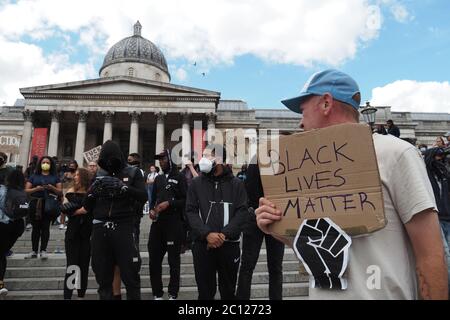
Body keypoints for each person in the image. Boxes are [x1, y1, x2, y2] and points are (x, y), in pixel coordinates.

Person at [256, 69, 448, 299]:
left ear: (326, 103)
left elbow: (430, 255)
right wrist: (275, 227)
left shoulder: (395, 153)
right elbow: (319, 248)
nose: (300, 121)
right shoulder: (305, 172)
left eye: (303, 109)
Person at [84, 140, 147, 300]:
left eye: (112, 159)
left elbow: (143, 196)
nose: (109, 163)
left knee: (130, 274)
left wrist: (124, 188)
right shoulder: (99, 174)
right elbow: (87, 205)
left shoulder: (133, 172)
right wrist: (92, 193)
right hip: (100, 227)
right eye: (105, 160)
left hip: (124, 225)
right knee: (102, 275)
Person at [186, 144, 248, 300]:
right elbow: (191, 211)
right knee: (205, 293)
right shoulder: (196, 184)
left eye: (207, 156)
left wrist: (223, 235)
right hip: (203, 246)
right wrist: (206, 234)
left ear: (219, 159)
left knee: (228, 292)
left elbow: (242, 212)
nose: (202, 160)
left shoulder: (236, 184)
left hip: (229, 246)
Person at [236, 162, 284, 300]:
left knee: (273, 268)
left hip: (274, 216)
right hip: (258, 216)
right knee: (248, 266)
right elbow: (250, 189)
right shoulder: (255, 163)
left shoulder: (277, 162)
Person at [148, 149, 187, 300]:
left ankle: (173, 293)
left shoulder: (180, 177)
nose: (161, 161)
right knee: (154, 260)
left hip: (174, 223)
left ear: (171, 159)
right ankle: (157, 293)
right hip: (158, 224)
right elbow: (153, 201)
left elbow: (186, 200)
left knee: (173, 261)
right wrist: (152, 211)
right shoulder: (158, 179)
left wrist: (170, 203)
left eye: (163, 158)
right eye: (159, 159)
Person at [61, 168, 93, 300]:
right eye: (75, 175)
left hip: (86, 233)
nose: (75, 177)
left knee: (84, 267)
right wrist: (78, 209)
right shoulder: (70, 191)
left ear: (84, 177)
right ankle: (68, 296)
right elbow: (64, 208)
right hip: (72, 233)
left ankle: (81, 295)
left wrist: (76, 210)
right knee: (72, 266)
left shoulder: (91, 193)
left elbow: (87, 210)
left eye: (78, 175)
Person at [25, 156, 62, 259]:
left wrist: (52, 187)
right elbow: (26, 190)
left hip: (49, 204)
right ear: (40, 164)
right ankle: (34, 250)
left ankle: (43, 250)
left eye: (48, 162)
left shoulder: (55, 177)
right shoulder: (34, 176)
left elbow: (60, 191)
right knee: (35, 228)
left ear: (51, 165)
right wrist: (36, 189)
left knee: (45, 227)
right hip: (35, 203)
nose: (45, 164)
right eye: (44, 162)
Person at [423, 147, 450, 293]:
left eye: (442, 157)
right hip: (436, 218)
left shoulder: (444, 173)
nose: (440, 159)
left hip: (448, 217)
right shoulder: (425, 174)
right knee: (445, 254)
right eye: (437, 157)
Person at [0, 170, 27, 297]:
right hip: (17, 227)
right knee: (2, 253)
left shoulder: (2, 190)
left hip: (3, 224)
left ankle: (0, 284)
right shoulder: (22, 192)